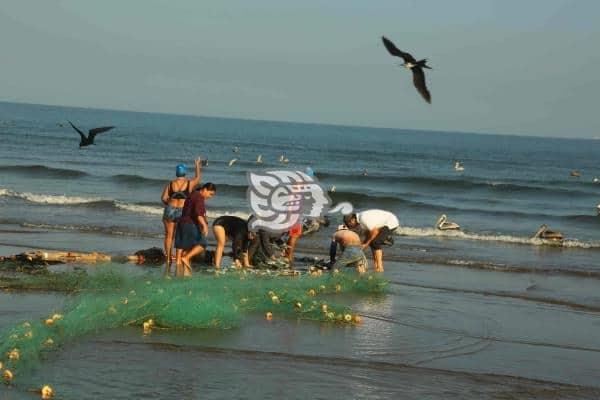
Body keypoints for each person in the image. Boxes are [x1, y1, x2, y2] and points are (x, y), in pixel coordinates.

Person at [161, 158, 202, 274]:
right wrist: (197, 165)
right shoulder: (189, 183)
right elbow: (198, 178)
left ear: (176, 173)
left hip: (170, 209)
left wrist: (169, 204)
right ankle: (180, 258)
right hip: (182, 211)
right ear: (184, 172)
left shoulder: (170, 184)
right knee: (181, 235)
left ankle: (168, 258)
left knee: (169, 235)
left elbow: (163, 198)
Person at [174, 183, 216, 276]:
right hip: (190, 224)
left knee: (183, 246)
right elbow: (199, 214)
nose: (210, 197)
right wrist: (205, 225)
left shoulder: (192, 195)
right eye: (210, 194)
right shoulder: (199, 197)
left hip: (182, 223)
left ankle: (181, 270)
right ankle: (186, 258)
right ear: (205, 189)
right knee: (203, 243)